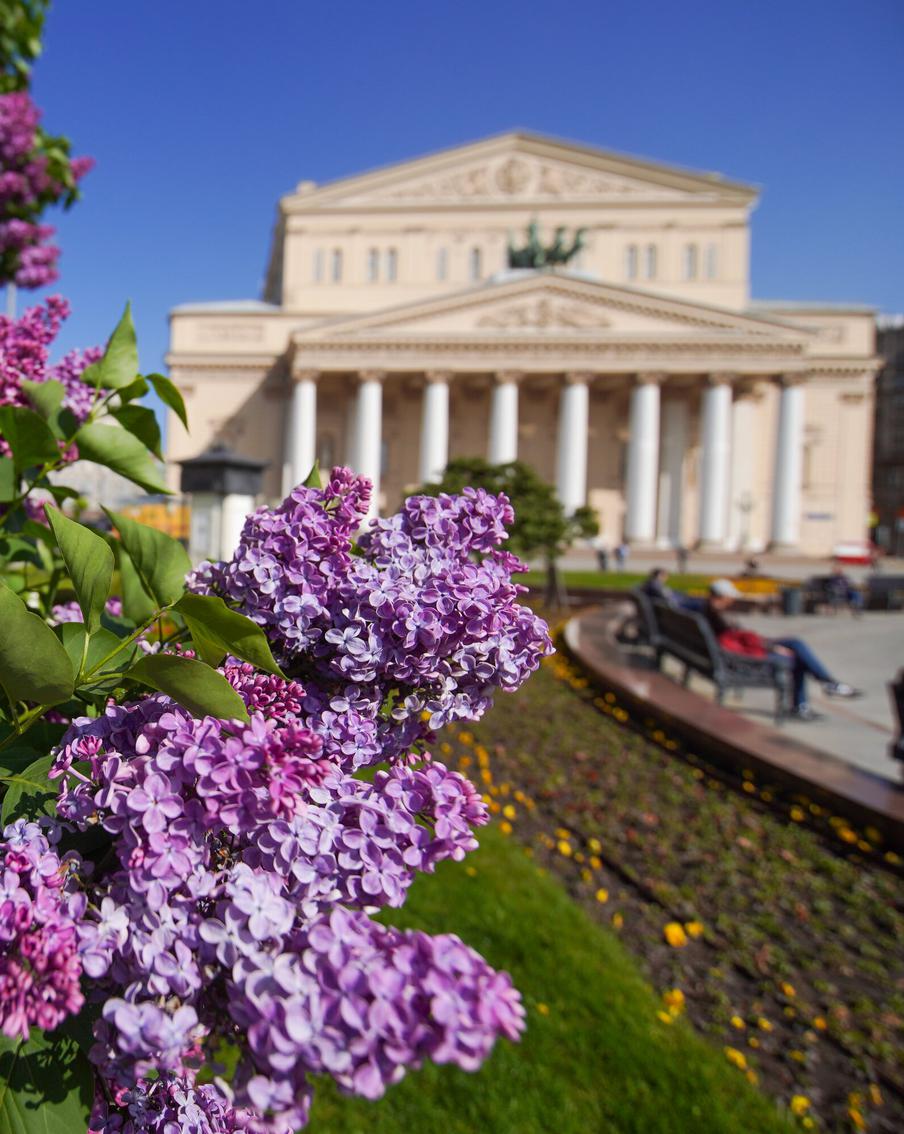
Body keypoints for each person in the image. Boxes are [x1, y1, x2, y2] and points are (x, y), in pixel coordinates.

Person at [703, 579, 862, 720]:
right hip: (743, 659)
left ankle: (827, 685)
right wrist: (772, 648)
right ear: (721, 596)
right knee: (798, 659)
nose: (732, 599)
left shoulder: (710, 613)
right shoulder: (718, 619)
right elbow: (739, 645)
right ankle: (814, 695)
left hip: (739, 652)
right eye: (730, 596)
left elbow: (739, 640)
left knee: (795, 643)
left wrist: (769, 645)